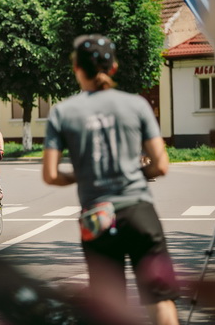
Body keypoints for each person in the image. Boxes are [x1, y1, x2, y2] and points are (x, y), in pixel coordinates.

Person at [42, 34, 180, 325]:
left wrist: (84, 175)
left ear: (76, 68)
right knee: (159, 298)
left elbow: (51, 175)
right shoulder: (137, 105)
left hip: (97, 217)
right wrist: (135, 173)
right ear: (114, 67)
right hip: (140, 213)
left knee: (109, 308)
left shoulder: (62, 112)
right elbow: (161, 165)